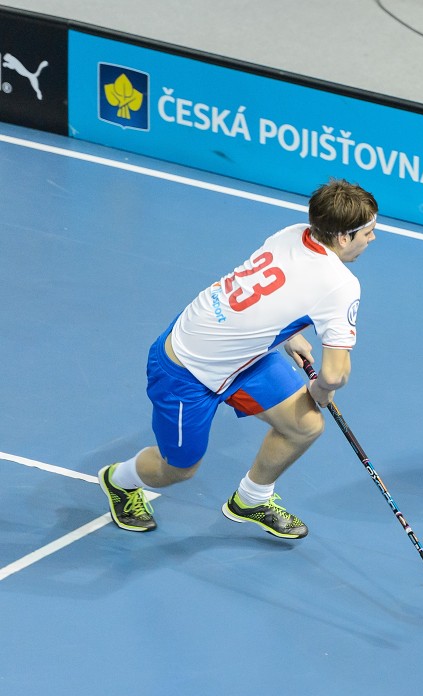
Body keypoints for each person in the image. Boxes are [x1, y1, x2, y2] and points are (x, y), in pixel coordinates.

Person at [98, 178, 378, 538]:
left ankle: (251, 499)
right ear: (343, 237)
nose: (372, 239)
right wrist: (322, 390)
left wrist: (290, 335)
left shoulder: (294, 233)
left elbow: (271, 293)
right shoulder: (340, 284)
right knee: (178, 470)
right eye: (368, 232)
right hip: (187, 371)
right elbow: (336, 374)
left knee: (304, 426)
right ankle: (118, 481)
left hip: (239, 357)